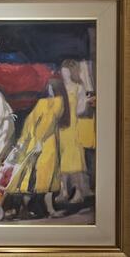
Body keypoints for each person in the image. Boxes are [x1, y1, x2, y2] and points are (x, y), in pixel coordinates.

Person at [57, 60, 94, 204]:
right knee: (61, 161)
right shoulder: (61, 88)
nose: (64, 75)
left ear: (71, 72)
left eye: (66, 72)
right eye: (63, 72)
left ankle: (78, 192)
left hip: (73, 128)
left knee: (75, 160)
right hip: (61, 129)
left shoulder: (79, 88)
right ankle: (63, 191)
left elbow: (80, 110)